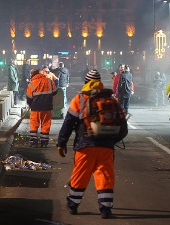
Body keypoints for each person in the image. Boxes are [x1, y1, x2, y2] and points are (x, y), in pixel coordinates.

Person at [56, 69, 128, 218]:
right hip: (106, 148)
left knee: (80, 175)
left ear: (86, 82)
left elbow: (69, 123)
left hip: (85, 145)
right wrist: (111, 140)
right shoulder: (112, 100)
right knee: (105, 176)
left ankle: (73, 205)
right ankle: (105, 209)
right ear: (100, 83)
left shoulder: (80, 99)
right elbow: (123, 127)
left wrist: (61, 143)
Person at [26, 68, 58, 147]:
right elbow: (55, 91)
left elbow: (29, 98)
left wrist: (30, 105)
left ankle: (33, 142)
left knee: (34, 124)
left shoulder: (31, 83)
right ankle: (44, 142)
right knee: (46, 124)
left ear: (33, 74)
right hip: (47, 107)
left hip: (35, 108)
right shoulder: (49, 81)